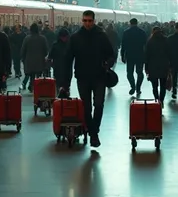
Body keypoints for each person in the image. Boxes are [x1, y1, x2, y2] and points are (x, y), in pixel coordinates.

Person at [65, 10, 115, 148]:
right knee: (86, 107)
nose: (87, 23)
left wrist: (108, 63)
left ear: (94, 21)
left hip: (99, 76)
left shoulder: (101, 36)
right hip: (82, 77)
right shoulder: (75, 38)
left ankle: (94, 130)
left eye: (90, 21)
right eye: (85, 21)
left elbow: (111, 54)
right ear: (82, 21)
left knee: (98, 105)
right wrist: (65, 82)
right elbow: (68, 59)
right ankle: (94, 134)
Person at [144, 27, 170, 107]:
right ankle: (161, 100)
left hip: (152, 66)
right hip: (164, 66)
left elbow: (147, 55)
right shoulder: (166, 40)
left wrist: (146, 68)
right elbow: (170, 53)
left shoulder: (150, 41)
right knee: (163, 85)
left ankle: (156, 100)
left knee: (154, 86)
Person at [121, 18, 147, 96]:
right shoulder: (142, 32)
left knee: (129, 73)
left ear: (130, 23)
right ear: (137, 23)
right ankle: (138, 87)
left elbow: (123, 45)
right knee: (140, 73)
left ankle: (132, 86)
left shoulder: (126, 33)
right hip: (140, 55)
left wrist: (122, 55)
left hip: (130, 55)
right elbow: (145, 45)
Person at [20, 23, 49, 91]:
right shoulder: (42, 38)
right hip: (40, 61)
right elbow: (46, 50)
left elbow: (23, 50)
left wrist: (23, 58)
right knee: (38, 75)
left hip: (29, 61)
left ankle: (31, 85)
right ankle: (37, 87)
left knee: (31, 75)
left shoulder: (27, 38)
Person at [48, 28, 71, 96]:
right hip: (59, 68)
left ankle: (65, 94)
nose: (64, 38)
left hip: (67, 68)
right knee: (59, 85)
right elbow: (50, 56)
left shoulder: (69, 44)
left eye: (65, 37)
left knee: (66, 86)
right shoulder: (56, 45)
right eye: (62, 37)